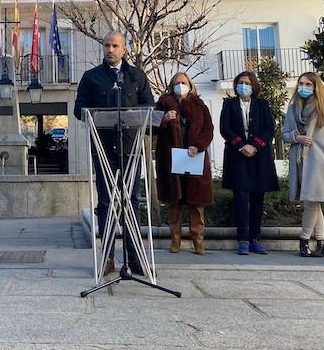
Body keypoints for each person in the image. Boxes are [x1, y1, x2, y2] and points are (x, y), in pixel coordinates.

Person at [73, 31, 153, 275]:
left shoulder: (136, 76)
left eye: (115, 46)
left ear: (124, 49)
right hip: (103, 147)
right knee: (106, 203)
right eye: (107, 45)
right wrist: (94, 114)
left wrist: (133, 114)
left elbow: (149, 105)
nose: (110, 49)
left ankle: (135, 257)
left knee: (132, 203)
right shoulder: (91, 77)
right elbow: (79, 109)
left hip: (130, 148)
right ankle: (107, 258)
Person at [282, 72, 324, 257]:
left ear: (316, 86)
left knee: (310, 202)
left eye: (308, 84)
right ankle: (322, 242)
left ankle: (304, 240)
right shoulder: (293, 108)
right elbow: (284, 134)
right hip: (300, 160)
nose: (303, 87)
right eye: (301, 83)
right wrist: (297, 137)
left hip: (319, 161)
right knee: (313, 202)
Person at [219, 71, 280, 256]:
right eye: (240, 82)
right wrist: (240, 145)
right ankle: (243, 239)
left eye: (247, 82)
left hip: (259, 157)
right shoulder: (229, 104)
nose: (243, 85)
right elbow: (225, 128)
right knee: (241, 198)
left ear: (253, 85)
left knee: (257, 200)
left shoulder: (262, 104)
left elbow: (269, 128)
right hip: (237, 156)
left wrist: (255, 146)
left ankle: (254, 238)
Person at [155, 71, 213, 255]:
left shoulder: (199, 104)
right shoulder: (164, 103)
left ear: (190, 84)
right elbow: (151, 127)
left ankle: (199, 241)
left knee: (196, 203)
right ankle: (175, 241)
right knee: (175, 202)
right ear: (172, 85)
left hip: (194, 157)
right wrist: (163, 119)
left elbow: (208, 129)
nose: (181, 85)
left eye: (184, 82)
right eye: (177, 82)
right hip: (171, 158)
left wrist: (198, 145)